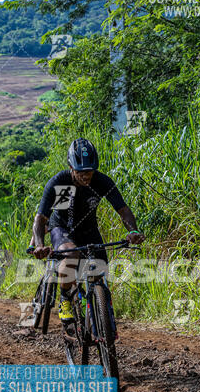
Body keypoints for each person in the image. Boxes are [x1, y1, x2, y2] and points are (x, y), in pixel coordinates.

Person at [32, 138, 145, 324]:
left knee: (98, 270)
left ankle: (98, 315)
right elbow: (41, 218)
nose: (86, 177)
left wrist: (133, 231)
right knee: (71, 256)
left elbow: (123, 209)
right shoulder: (59, 182)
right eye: (80, 172)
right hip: (62, 228)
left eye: (89, 172)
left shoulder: (101, 181)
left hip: (89, 230)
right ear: (70, 167)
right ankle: (66, 299)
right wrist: (39, 244)